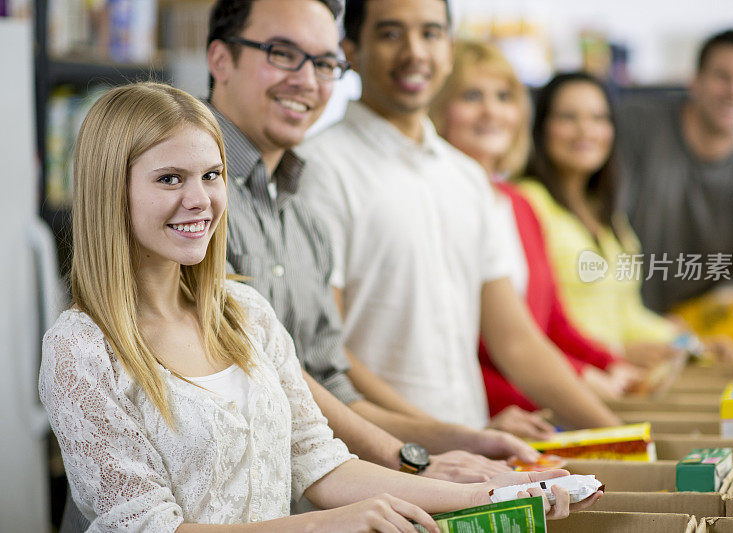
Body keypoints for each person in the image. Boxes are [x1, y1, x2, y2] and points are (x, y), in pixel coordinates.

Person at [40, 82, 597, 532]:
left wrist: (488, 493)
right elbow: (143, 528)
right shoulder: (83, 348)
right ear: (112, 190)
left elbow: (321, 463)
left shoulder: (244, 312)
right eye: (170, 179)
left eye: (212, 176)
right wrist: (321, 527)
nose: (200, 200)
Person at [204, 0, 547, 482]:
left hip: (302, 496)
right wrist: (414, 456)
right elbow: (261, 375)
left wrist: (455, 441)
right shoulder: (186, 184)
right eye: (282, 53)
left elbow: (326, 382)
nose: (306, 80)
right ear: (220, 59)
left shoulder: (294, 202)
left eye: (323, 64)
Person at [297, 0, 621, 432]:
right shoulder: (318, 169)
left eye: (430, 34)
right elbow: (325, 352)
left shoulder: (466, 178)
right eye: (391, 34)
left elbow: (517, 342)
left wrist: (620, 436)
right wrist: (450, 440)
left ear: (449, 50)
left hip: (472, 465)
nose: (415, 51)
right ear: (350, 51)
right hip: (377, 459)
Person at [429, 40, 642, 410]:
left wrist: (610, 364)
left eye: (503, 96)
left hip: (536, 404)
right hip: (489, 413)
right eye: (472, 95)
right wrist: (573, 382)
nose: (491, 111)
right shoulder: (434, 203)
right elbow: (465, 351)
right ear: (439, 108)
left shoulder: (518, 204)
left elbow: (552, 324)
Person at [617, 28, 733, 313]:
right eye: (723, 77)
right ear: (696, 81)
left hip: (685, 337)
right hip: (605, 321)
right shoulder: (637, 128)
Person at [516, 71, 681, 367]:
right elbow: (532, 326)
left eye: (598, 118)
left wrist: (685, 340)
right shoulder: (527, 202)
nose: (585, 131)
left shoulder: (607, 215)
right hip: (564, 385)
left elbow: (626, 314)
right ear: (541, 128)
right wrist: (614, 353)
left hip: (615, 380)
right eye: (568, 117)